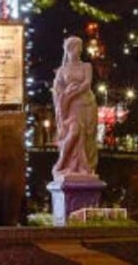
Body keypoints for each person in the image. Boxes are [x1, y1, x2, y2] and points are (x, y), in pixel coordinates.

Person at [51, 37, 98, 179]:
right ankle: (62, 164)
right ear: (68, 50)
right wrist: (66, 95)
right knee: (75, 132)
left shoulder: (86, 66)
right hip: (70, 108)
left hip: (86, 104)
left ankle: (83, 167)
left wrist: (72, 92)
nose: (78, 50)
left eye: (80, 47)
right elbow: (57, 90)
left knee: (86, 137)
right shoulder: (61, 71)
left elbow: (87, 84)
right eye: (75, 47)